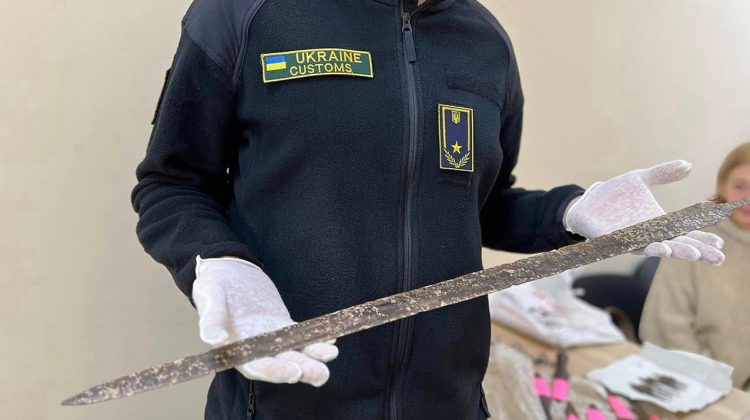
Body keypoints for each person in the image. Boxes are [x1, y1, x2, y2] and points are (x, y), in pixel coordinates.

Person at [131, 0, 725, 418]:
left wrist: (570, 212)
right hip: (284, 401)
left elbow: (482, 207)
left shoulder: (485, 42)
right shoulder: (244, 12)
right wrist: (217, 260)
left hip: (450, 402)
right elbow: (171, 182)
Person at [640, 143, 750, 390]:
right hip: (691, 385)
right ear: (722, 186)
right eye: (739, 186)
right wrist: (716, 384)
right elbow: (666, 328)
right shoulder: (693, 239)